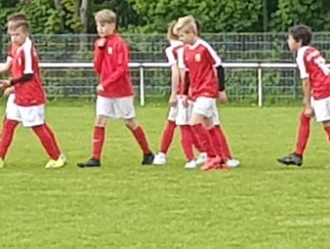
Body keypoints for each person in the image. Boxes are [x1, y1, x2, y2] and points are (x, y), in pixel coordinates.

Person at [0, 21, 65, 169]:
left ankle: (56, 157)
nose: (14, 38)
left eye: (17, 35)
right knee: (8, 123)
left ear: (26, 33)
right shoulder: (15, 46)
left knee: (38, 125)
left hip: (30, 94)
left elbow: (28, 75)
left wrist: (10, 83)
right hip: (18, 93)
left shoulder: (27, 49)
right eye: (11, 35)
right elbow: (8, 66)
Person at [78, 9, 154, 168]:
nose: (100, 29)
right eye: (98, 25)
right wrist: (99, 51)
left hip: (121, 91)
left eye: (104, 25)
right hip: (106, 92)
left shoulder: (119, 43)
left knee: (129, 121)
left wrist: (106, 83)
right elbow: (97, 68)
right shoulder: (99, 43)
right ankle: (95, 158)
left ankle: (147, 153)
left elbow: (122, 69)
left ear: (113, 25)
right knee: (100, 119)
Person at [277, 25, 330, 168]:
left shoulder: (301, 54)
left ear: (299, 41)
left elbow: (306, 81)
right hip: (325, 87)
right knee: (304, 117)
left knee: (328, 124)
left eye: (290, 39)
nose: (288, 42)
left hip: (323, 90)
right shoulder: (311, 50)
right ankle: (297, 155)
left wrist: (308, 104)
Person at [175, 16, 231, 171]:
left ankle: (212, 156)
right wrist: (184, 93)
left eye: (182, 36)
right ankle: (221, 159)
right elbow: (187, 73)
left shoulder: (204, 47)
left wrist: (221, 89)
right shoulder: (186, 51)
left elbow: (219, 66)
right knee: (209, 125)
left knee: (194, 122)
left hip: (208, 90)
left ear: (192, 33)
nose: (180, 39)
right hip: (197, 92)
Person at [153, 23, 196, 166]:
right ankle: (203, 153)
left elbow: (176, 72)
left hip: (182, 92)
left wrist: (174, 93)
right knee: (191, 123)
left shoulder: (172, 50)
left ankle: (166, 154)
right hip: (193, 90)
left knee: (176, 123)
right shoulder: (189, 46)